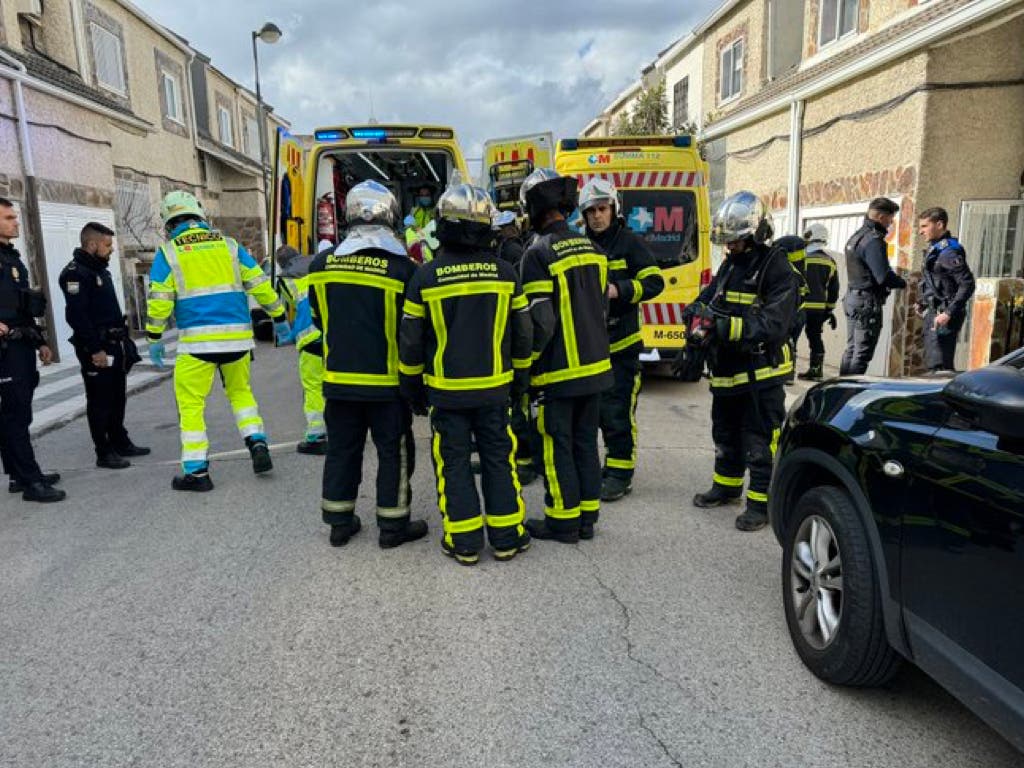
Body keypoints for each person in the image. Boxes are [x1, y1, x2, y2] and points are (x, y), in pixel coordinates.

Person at [399, 182, 533, 565]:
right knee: (498, 459)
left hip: (446, 393)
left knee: (453, 463)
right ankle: (508, 538)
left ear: (443, 224)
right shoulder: (506, 273)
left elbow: (410, 344)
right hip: (495, 390)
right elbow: (524, 336)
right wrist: (520, 380)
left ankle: (465, 543)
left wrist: (412, 390)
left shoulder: (424, 277)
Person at [307, 180, 428, 549]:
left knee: (343, 449)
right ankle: (393, 527)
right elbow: (412, 332)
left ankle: (339, 523)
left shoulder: (322, 264)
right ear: (390, 215)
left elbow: (318, 319)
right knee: (394, 452)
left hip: (338, 380)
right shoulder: (402, 269)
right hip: (387, 384)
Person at [146, 190, 290, 491]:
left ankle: (197, 472)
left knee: (191, 406)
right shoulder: (231, 246)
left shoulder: (169, 252)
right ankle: (257, 442)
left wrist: (154, 337)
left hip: (196, 346)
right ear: (200, 217)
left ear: (170, 224)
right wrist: (279, 317)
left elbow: (160, 300)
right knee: (241, 393)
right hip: (237, 341)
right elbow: (260, 285)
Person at [689, 191, 797, 532]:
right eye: (727, 242)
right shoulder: (729, 265)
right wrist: (694, 316)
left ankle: (760, 505)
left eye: (735, 241)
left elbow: (774, 323)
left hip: (760, 372)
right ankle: (727, 486)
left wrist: (724, 326)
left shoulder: (776, 267)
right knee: (725, 433)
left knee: (758, 439)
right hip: (727, 371)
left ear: (755, 234)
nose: (729, 248)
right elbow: (707, 299)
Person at [519, 168, 612, 543]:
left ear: (533, 209)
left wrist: (527, 365)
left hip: (559, 372)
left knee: (557, 446)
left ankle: (562, 521)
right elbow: (602, 308)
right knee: (586, 443)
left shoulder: (537, 254)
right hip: (597, 368)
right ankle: (587, 518)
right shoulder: (595, 249)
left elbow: (540, 323)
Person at [578, 177, 664, 501]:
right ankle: (610, 467)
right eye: (591, 211)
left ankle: (620, 474)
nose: (597, 216)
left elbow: (654, 282)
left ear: (614, 209)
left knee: (618, 412)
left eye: (602, 209)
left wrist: (621, 290)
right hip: (593, 346)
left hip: (623, 345)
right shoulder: (582, 244)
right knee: (598, 412)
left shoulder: (629, 242)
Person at [58, 222, 148, 471]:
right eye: (107, 245)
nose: (110, 250)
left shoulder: (100, 269)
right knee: (100, 400)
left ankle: (120, 441)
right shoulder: (76, 273)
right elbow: (77, 316)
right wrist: (95, 349)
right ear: (92, 244)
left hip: (114, 343)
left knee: (117, 396)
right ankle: (104, 451)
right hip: (95, 347)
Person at [0, 197, 64, 502]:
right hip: (4, 349)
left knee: (17, 413)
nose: (15, 221)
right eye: (9, 217)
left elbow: (24, 304)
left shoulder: (11, 258)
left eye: (14, 216)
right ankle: (31, 481)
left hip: (22, 343)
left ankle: (17, 473)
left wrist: (40, 341)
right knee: (15, 414)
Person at [840, 197, 907, 375]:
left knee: (852, 350)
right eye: (890, 218)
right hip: (866, 302)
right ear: (879, 217)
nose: (891, 223)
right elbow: (882, 276)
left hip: (853, 298)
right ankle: (848, 394)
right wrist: (903, 282)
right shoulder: (873, 240)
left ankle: (839, 391)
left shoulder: (856, 236)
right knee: (861, 354)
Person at [492, 208, 535, 483]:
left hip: (512, 336)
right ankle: (522, 458)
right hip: (508, 335)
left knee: (518, 409)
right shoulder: (512, 249)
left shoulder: (512, 252)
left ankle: (525, 462)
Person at [275, 245, 326, 454]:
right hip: (332, 334)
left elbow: (288, 308)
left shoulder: (285, 280)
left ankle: (316, 435)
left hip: (309, 336)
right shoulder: (318, 265)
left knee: (313, 387)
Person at [917, 207, 976, 372]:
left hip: (944, 314)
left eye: (924, 226)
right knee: (933, 361)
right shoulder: (936, 249)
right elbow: (935, 280)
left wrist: (949, 312)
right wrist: (922, 302)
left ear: (939, 224)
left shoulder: (949, 252)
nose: (921, 232)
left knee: (939, 366)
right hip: (935, 311)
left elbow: (967, 284)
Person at [797, 223, 840, 381]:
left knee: (790, 338)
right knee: (815, 337)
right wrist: (829, 310)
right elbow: (834, 289)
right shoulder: (830, 261)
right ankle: (816, 371)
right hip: (818, 309)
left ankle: (787, 374)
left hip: (799, 306)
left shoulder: (801, 259)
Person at [771, 234, 809, 385]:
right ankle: (788, 374)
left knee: (784, 342)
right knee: (791, 343)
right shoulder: (799, 270)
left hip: (792, 314)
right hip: (800, 313)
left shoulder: (788, 272)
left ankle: (786, 375)